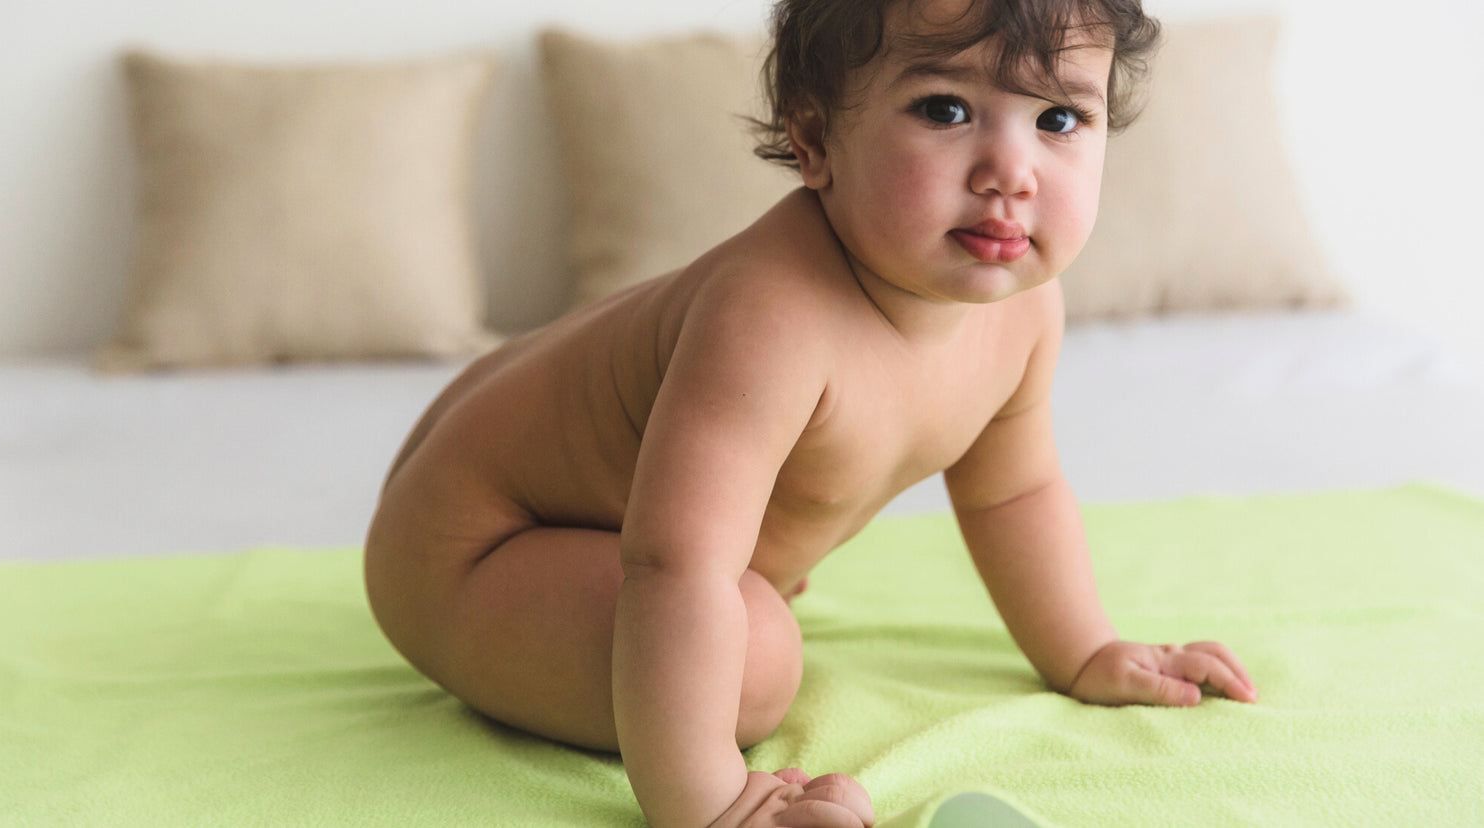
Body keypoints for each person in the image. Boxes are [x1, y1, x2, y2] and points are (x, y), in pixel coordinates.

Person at [364, 0, 1258, 825]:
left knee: (734, 599)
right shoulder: (773, 319)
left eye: (1059, 118)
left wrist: (1087, 651)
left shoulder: (1024, 311)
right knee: (756, 656)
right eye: (946, 109)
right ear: (815, 138)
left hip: (572, 506)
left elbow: (1013, 492)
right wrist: (708, 800)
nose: (1010, 173)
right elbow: (676, 563)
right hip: (471, 549)